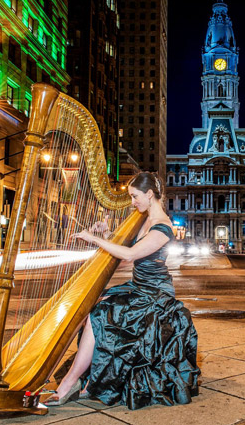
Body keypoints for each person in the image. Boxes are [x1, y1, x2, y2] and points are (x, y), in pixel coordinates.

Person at [45, 172, 200, 410]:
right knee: (93, 305)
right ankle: (83, 379)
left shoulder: (163, 227)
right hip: (139, 287)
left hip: (155, 294)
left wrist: (94, 240)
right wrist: (106, 233)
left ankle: (70, 383)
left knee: (101, 312)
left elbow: (129, 255)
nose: (132, 202)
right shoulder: (144, 220)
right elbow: (129, 258)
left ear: (149, 194)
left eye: (135, 196)